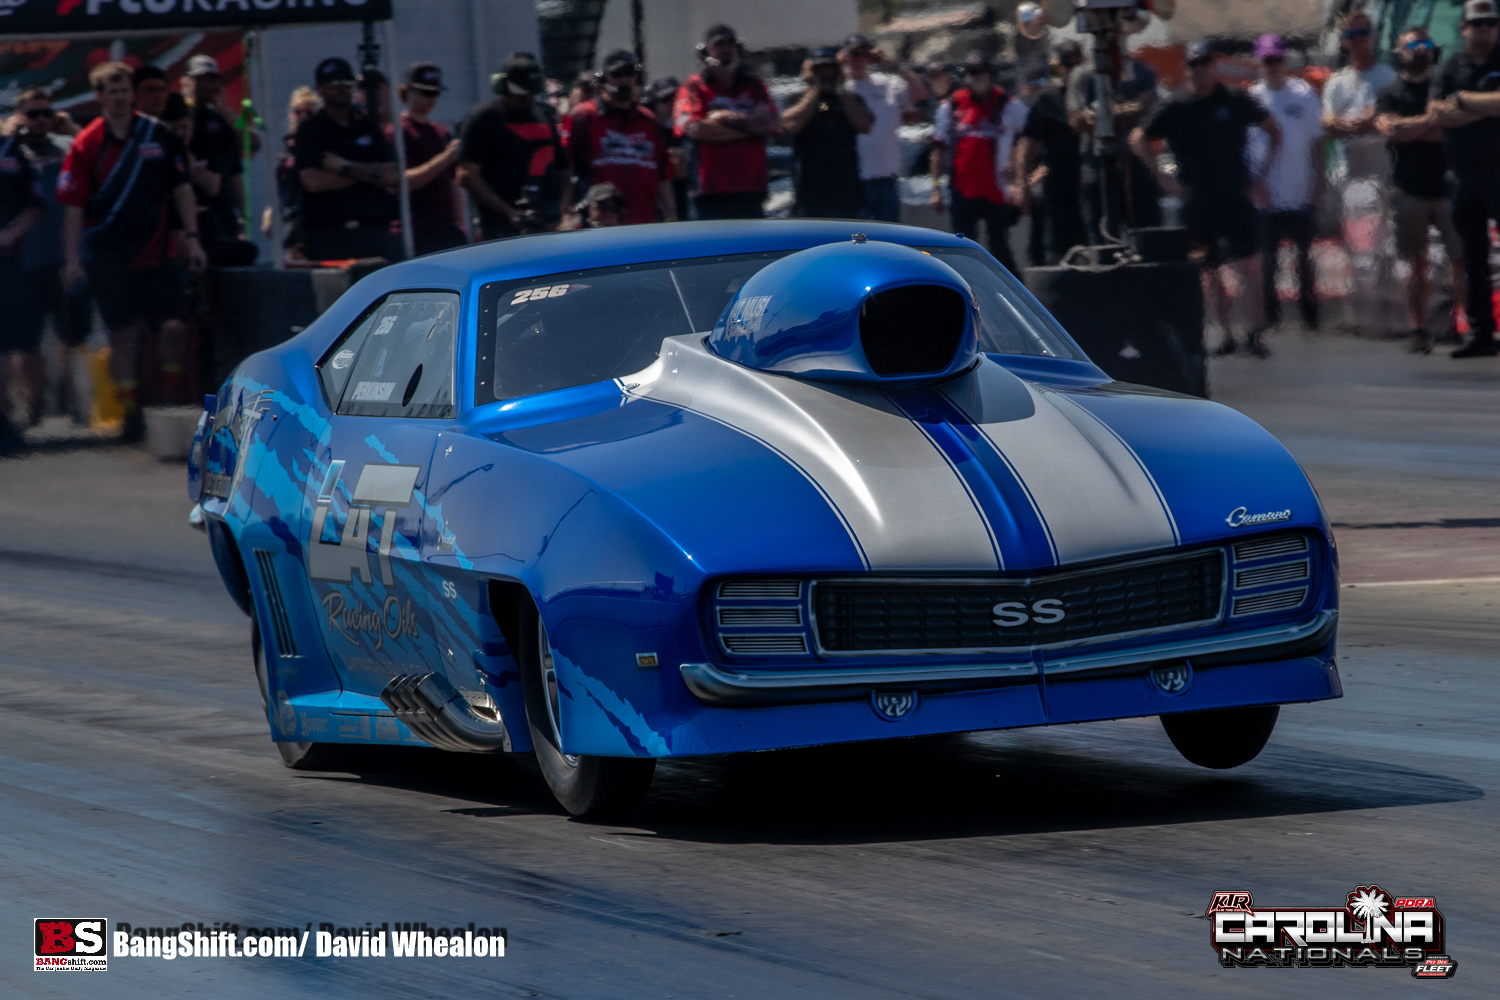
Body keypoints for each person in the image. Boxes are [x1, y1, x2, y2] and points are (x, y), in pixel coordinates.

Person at [58, 61, 206, 443]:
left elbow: (182, 188)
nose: (120, 98)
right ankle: (130, 413)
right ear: (100, 97)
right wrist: (72, 259)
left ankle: (168, 397)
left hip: (157, 250)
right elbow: (73, 206)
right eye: (113, 92)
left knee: (173, 327)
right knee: (124, 334)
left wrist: (192, 237)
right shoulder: (87, 142)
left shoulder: (158, 134)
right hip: (108, 254)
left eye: (125, 91)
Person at [1131, 42, 1281, 357]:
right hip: (1197, 195)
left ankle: (1254, 332)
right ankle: (1225, 334)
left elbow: (1273, 130)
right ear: (1187, 68)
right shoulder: (1176, 104)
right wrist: (1163, 178)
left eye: (1206, 63)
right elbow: (1138, 138)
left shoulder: (1235, 98)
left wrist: (1262, 175)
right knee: (1209, 267)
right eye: (1194, 64)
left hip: (1235, 191)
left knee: (1248, 264)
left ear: (1214, 66)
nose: (1201, 70)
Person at [1375, 26, 1466, 354]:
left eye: (1425, 44)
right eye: (1412, 45)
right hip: (1408, 188)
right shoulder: (1389, 92)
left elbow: (1451, 130)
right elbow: (1389, 130)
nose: (1420, 50)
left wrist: (1411, 127)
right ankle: (1419, 329)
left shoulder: (1444, 87)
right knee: (1415, 263)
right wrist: (1431, 120)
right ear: (1400, 51)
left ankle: (1460, 324)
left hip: (1447, 186)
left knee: (1461, 259)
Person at [13, 87, 91, 428]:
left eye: (47, 113)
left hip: (66, 255)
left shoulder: (67, 147)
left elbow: (91, 160)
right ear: (21, 116)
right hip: (25, 258)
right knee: (25, 339)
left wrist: (70, 127)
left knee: (72, 334)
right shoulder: (11, 151)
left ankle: (75, 399)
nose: (41, 120)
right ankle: (33, 403)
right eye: (33, 114)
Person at [1427, 0, 1500, 357]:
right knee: (1472, 258)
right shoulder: (1450, 67)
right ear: (1464, 28)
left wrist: (1463, 100)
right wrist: (1487, 108)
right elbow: (1436, 112)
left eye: (1490, 23)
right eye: (1478, 23)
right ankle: (1481, 332)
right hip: (1463, 175)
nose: (1484, 29)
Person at [1249, 34, 1325, 332]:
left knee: (1304, 257)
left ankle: (1310, 316)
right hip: (1266, 192)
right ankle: (1270, 317)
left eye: (1277, 60)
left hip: (1300, 187)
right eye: (1267, 60)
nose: (1273, 66)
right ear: (1259, 62)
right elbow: (1245, 148)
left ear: (1285, 61)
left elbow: (1318, 142)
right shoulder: (1252, 99)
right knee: (1268, 259)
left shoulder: (1304, 95)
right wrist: (1253, 185)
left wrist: (1320, 179)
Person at [930, 53, 1029, 273]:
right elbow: (938, 148)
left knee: (999, 245)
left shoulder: (1008, 105)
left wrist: (1021, 181)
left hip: (998, 189)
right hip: (962, 189)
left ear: (991, 74)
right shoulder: (951, 106)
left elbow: (1026, 139)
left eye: (982, 72)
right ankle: (968, 289)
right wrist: (936, 188)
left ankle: (1011, 290)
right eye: (972, 72)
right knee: (963, 247)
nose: (977, 77)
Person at [294, 57, 399, 260]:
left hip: (372, 231)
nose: (341, 88)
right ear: (320, 88)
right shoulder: (311, 130)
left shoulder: (366, 126)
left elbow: (392, 175)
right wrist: (369, 173)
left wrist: (343, 165)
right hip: (329, 235)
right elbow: (313, 182)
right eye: (334, 83)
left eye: (346, 82)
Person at [459, 53, 573, 239]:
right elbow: (467, 175)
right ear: (502, 86)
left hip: (550, 222)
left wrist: (562, 209)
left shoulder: (545, 115)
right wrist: (509, 212)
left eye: (531, 92)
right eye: (520, 92)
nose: (527, 98)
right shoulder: (484, 118)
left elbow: (563, 170)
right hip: (503, 227)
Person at [673, 24, 779, 220]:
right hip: (710, 191)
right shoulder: (694, 86)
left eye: (730, 45)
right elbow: (695, 129)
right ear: (706, 51)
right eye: (719, 46)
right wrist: (752, 127)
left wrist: (725, 117)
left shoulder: (754, 85)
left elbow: (772, 125)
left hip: (751, 188)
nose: (726, 50)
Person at [564, 50, 678, 225]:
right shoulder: (582, 116)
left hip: (644, 221)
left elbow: (663, 176)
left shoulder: (649, 120)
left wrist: (671, 217)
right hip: (600, 222)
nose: (623, 80)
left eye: (629, 74)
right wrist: (565, 211)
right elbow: (564, 168)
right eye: (616, 75)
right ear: (603, 78)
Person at [1067, 38, 1161, 239]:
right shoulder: (1082, 75)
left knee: (1148, 230)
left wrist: (1104, 115)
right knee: (1100, 230)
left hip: (1134, 161)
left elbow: (1147, 107)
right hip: (1096, 161)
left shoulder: (1141, 71)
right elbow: (1077, 120)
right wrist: (1122, 112)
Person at [839, 34, 926, 222]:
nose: (858, 60)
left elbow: (920, 95)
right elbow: (822, 108)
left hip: (885, 177)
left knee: (887, 233)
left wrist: (895, 67)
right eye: (853, 54)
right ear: (845, 57)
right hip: (853, 179)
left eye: (863, 54)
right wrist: (837, 73)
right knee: (856, 235)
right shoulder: (841, 89)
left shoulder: (888, 84)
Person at [0, 97, 45, 453]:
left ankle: (13, 416)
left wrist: (11, 233)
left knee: (13, 342)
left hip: (9, 262)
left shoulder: (13, 151)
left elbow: (36, 201)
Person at [781, 46, 872, 219]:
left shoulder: (850, 100)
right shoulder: (797, 100)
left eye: (831, 69)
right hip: (809, 197)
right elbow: (791, 125)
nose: (826, 74)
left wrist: (841, 86)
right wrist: (814, 87)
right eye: (820, 69)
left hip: (847, 196)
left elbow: (865, 125)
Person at [182, 54, 255, 265]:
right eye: (201, 79)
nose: (208, 85)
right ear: (188, 81)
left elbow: (238, 167)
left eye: (212, 79)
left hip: (224, 212)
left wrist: (243, 216)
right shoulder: (182, 118)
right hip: (196, 212)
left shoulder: (221, 120)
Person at [390, 61, 466, 255]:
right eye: (425, 92)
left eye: (435, 93)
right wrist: (445, 158)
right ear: (407, 91)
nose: (431, 99)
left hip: (444, 229)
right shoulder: (398, 131)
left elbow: (452, 183)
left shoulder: (441, 132)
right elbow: (402, 182)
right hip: (414, 230)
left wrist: (459, 223)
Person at [1015, 58, 1086, 265]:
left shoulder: (1092, 94)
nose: (1071, 71)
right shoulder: (1049, 100)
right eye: (1066, 65)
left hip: (1090, 178)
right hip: (1058, 181)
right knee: (1055, 242)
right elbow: (1028, 144)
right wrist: (1023, 183)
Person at [1322, 9, 1397, 181]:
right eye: (1351, 34)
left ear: (1371, 36)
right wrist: (1356, 124)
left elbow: (1391, 119)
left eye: (1362, 33)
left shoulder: (1389, 76)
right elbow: (1328, 123)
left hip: (1381, 172)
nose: (1357, 39)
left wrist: (1363, 122)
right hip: (1345, 171)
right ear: (1343, 40)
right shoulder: (1335, 81)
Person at [269, 86, 320, 256]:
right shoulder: (287, 148)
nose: (303, 117)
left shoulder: (321, 146)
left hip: (314, 223)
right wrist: (271, 212)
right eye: (298, 112)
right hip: (290, 221)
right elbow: (281, 188)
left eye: (309, 113)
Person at [645, 77, 689, 217]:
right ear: (652, 106)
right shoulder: (648, 133)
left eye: (677, 98)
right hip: (658, 205)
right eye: (666, 100)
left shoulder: (692, 130)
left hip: (690, 199)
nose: (673, 104)